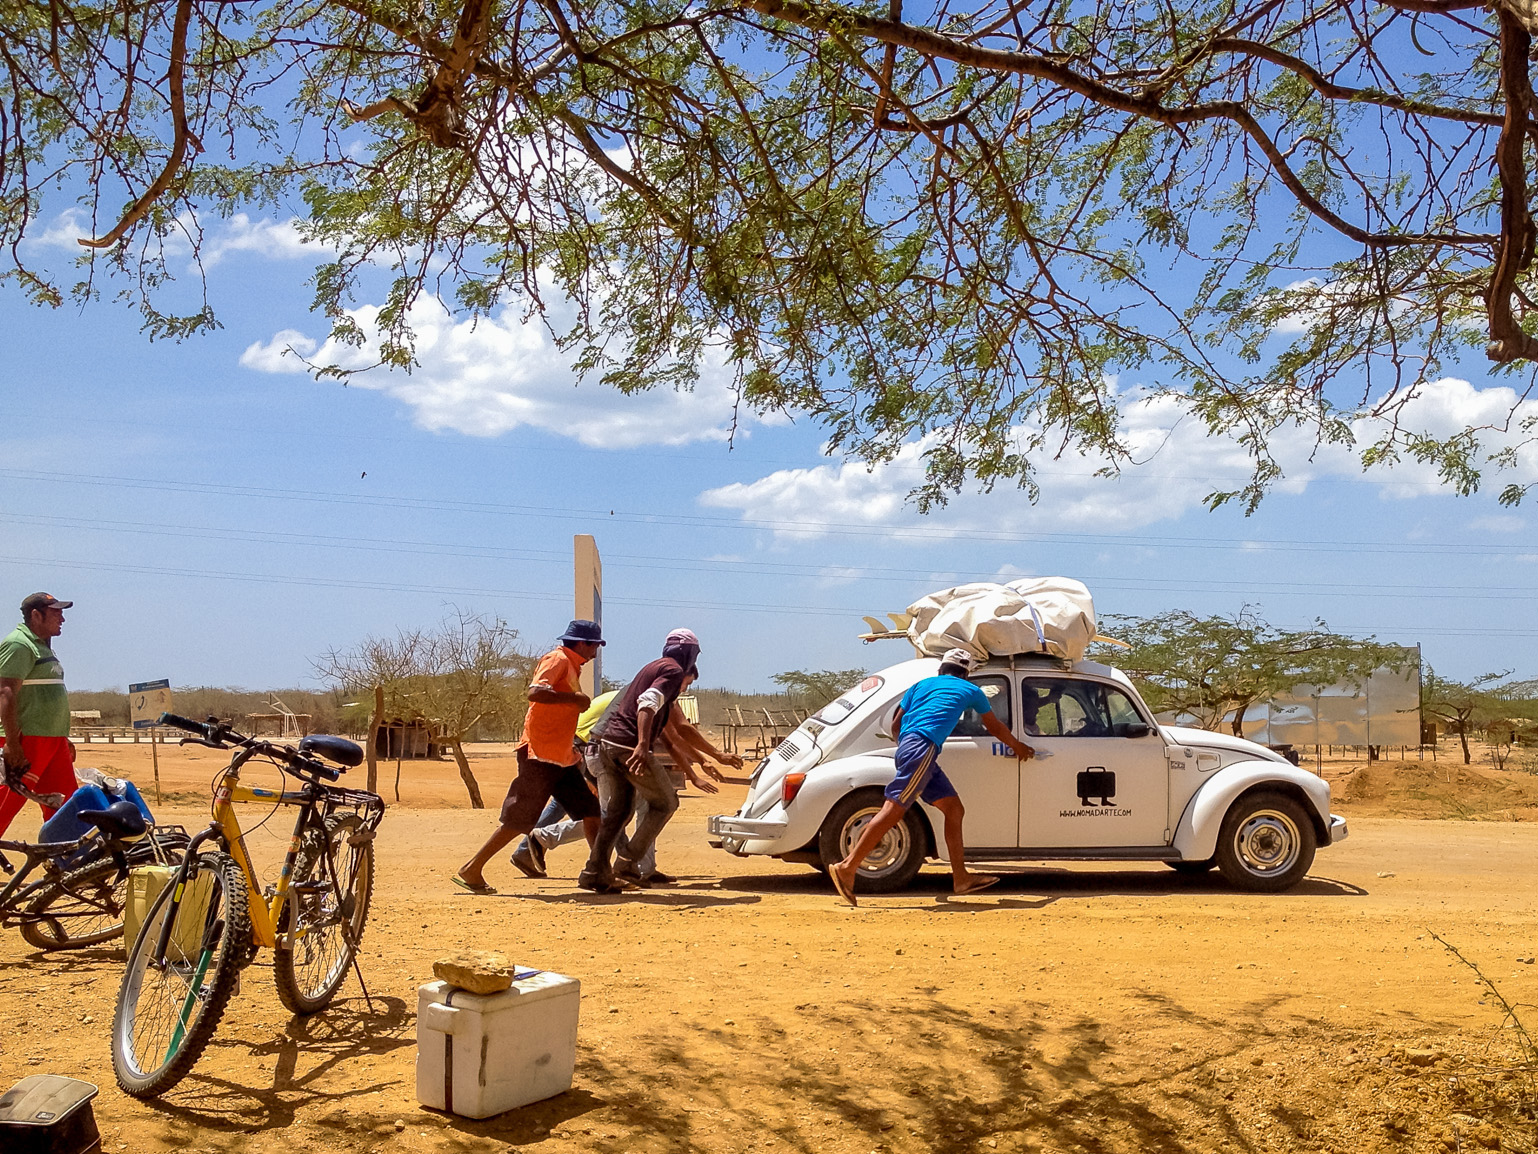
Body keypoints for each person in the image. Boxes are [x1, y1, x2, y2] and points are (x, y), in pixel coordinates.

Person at [829, 648, 1035, 907]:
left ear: (942, 669)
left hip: (911, 748)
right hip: (923, 749)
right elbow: (993, 725)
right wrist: (1017, 746)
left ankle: (961, 879)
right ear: (966, 673)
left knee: (953, 809)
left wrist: (907, 748)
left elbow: (896, 725)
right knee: (893, 811)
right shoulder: (971, 690)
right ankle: (847, 867)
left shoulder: (921, 685)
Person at [454, 620, 604, 895]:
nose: (596, 651)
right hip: (540, 754)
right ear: (583, 643)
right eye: (595, 645)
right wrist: (574, 698)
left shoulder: (571, 665)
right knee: (519, 818)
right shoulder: (557, 659)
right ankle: (472, 869)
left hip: (561, 756)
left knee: (591, 812)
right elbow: (535, 692)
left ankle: (599, 872)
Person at [577, 628, 701, 893]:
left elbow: (668, 729)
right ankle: (627, 864)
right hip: (627, 746)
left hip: (608, 745)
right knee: (666, 803)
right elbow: (647, 704)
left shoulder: (653, 666)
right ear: (691, 654)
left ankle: (594, 871)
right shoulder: (673, 671)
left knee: (618, 813)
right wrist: (643, 745)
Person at [0, 593, 78, 838]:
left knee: (65, 808)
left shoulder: (41, 646)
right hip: (28, 741)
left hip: (52, 742)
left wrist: (62, 738)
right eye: (55, 612)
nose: (62, 618)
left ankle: (69, 866)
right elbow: (6, 691)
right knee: (5, 804)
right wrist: (13, 744)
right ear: (36, 615)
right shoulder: (19, 644)